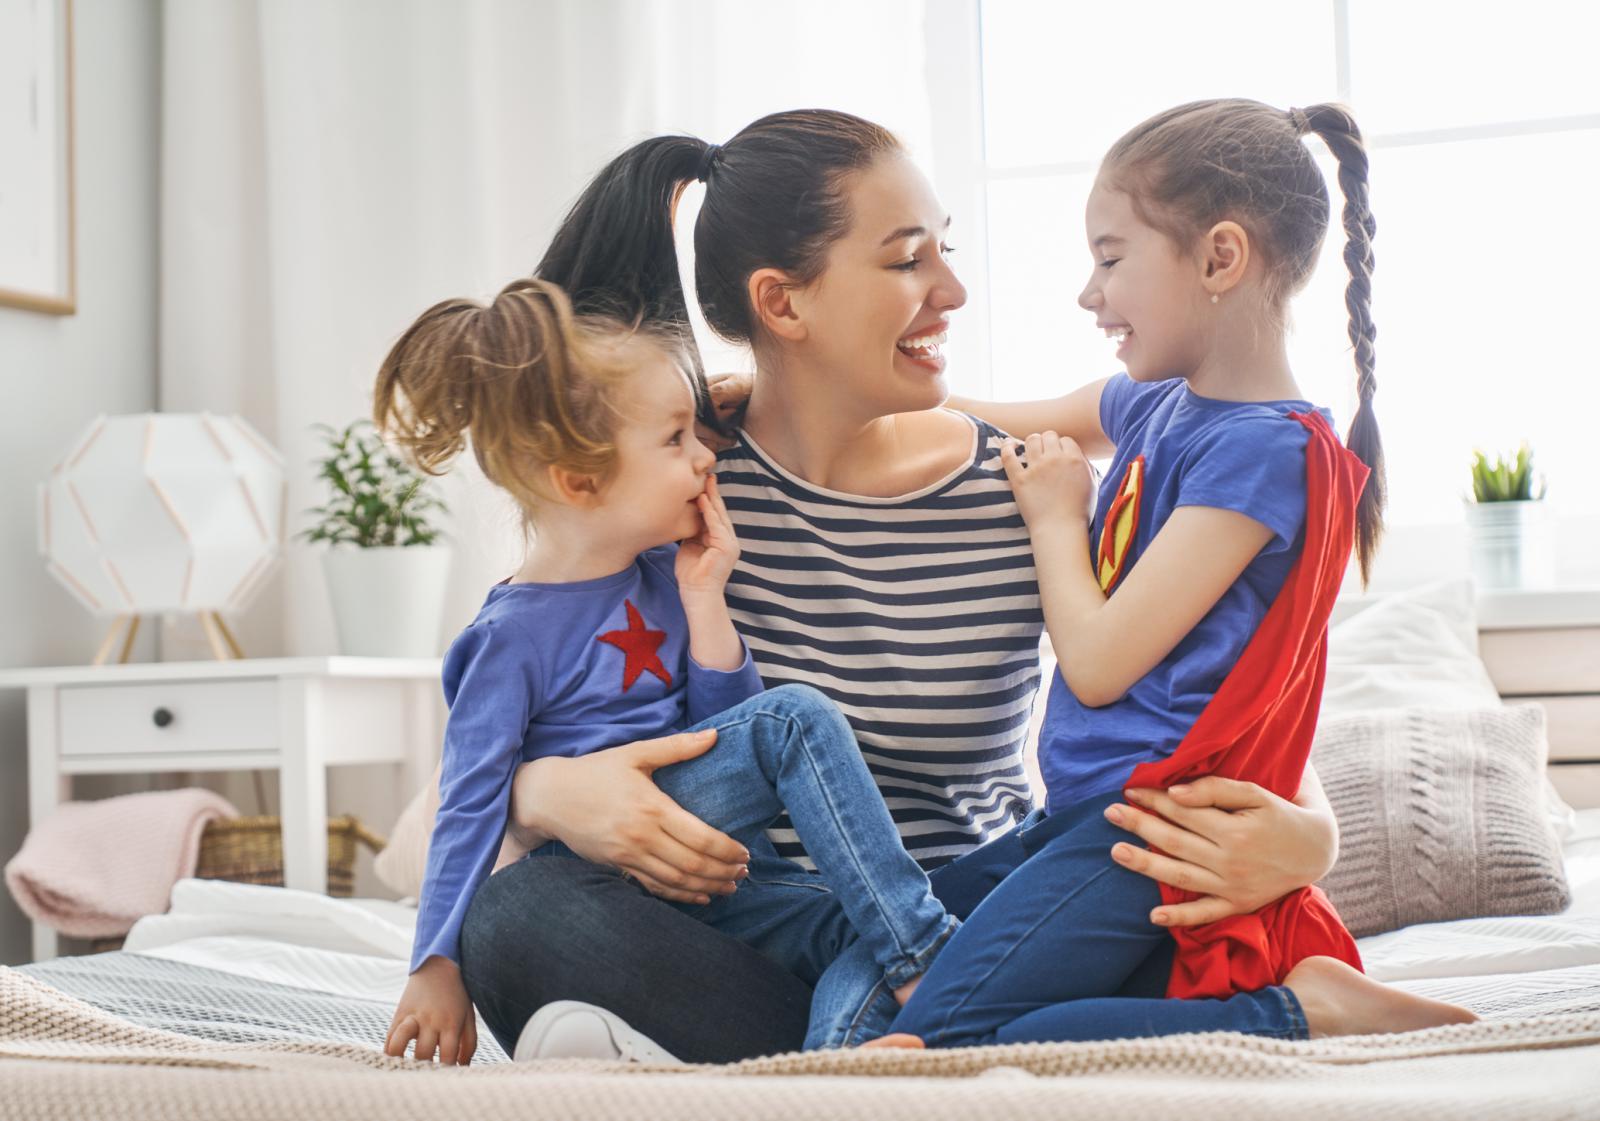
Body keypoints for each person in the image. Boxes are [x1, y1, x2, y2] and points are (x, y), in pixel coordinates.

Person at [459, 109, 1350, 1064]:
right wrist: (542, 792)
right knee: (520, 917)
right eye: (907, 260)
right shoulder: (673, 488)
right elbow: (501, 708)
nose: (954, 290)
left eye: (947, 252)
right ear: (784, 303)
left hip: (978, 931)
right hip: (749, 934)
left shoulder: (1026, 488)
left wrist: (1312, 838)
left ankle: (816, 1066)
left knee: (1126, 937)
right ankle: (881, 1060)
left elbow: (1220, 693)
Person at [873, 99, 1475, 1048]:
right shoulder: (1157, 405)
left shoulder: (1264, 453)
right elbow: (987, 422)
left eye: (1111, 259)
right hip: (1084, 815)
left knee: (938, 1036)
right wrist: (861, 393)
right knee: (878, 947)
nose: (1088, 292)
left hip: (1156, 832)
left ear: (1220, 259)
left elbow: (1103, 659)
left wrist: (1057, 517)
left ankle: (1292, 1010)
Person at [375, 277, 958, 1066]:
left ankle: (830, 1070)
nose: (704, 455)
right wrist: (433, 964)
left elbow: (722, 729)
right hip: (600, 876)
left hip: (719, 874)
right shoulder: (507, 637)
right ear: (579, 481)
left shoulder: (661, 575)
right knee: (798, 718)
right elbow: (468, 804)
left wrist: (703, 594)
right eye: (676, 439)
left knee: (858, 929)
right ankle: (929, 957)